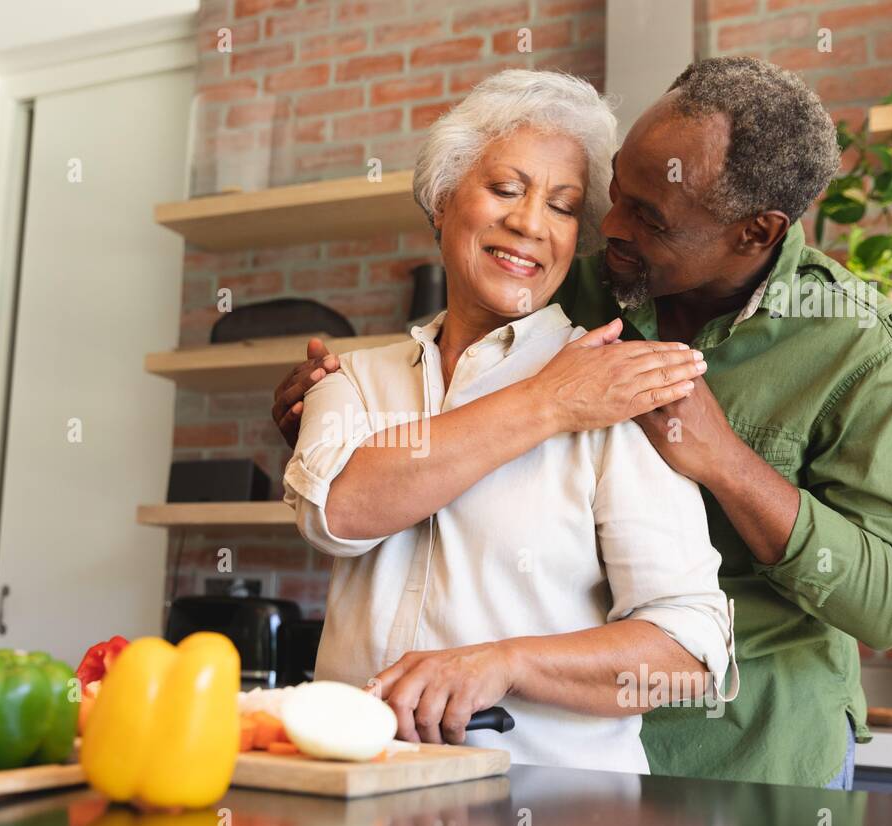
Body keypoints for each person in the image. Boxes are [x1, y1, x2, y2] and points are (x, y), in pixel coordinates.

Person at [273, 57, 892, 789]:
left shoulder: (860, 343)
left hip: (756, 743)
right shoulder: (571, 286)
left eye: (648, 218)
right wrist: (331, 434)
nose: (606, 225)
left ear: (755, 233)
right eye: (614, 192)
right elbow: (403, 456)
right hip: (546, 744)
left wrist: (723, 459)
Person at [283, 69, 735, 774]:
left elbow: (690, 654)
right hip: (359, 796)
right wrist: (547, 403)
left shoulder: (617, 392)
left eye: (562, 207)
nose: (529, 223)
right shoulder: (355, 379)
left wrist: (507, 664)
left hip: (559, 816)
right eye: (504, 189)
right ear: (441, 199)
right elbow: (338, 510)